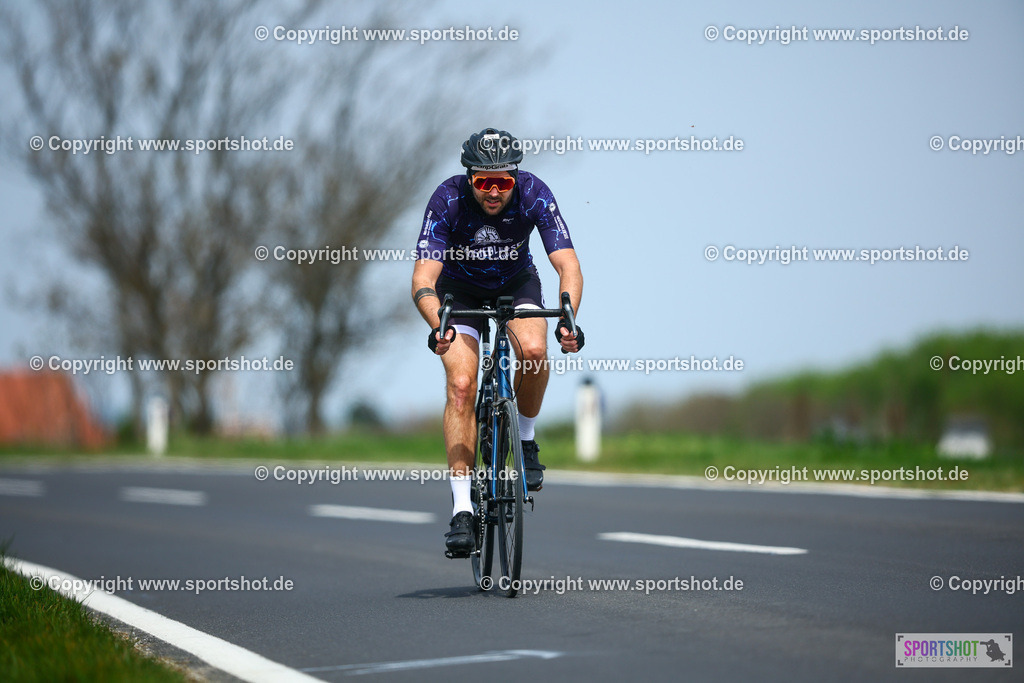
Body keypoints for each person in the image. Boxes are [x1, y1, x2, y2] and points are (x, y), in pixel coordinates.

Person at [411, 127, 584, 555]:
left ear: (515, 178)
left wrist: (568, 318)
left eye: (502, 181)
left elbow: (569, 266)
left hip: (516, 283)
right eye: (483, 181)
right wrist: (439, 324)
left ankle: (525, 440)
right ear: (469, 177)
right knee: (462, 387)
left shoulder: (535, 193)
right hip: (460, 292)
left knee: (535, 350)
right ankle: (463, 509)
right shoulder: (447, 199)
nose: (493, 191)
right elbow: (423, 278)